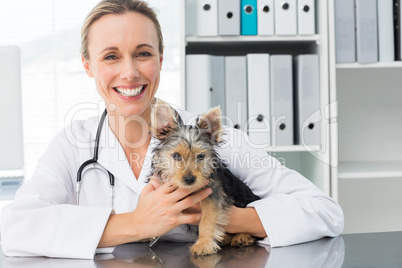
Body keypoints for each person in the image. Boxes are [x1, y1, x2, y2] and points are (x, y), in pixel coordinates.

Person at [0, 0, 344, 259]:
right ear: (87, 66)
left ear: (161, 59)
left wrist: (230, 218)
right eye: (110, 57)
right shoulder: (73, 144)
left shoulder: (210, 139)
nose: (130, 72)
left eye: (143, 53)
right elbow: (14, 228)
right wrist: (136, 223)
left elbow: (325, 212)